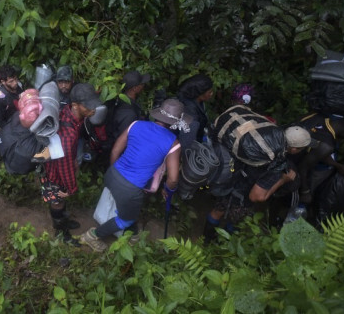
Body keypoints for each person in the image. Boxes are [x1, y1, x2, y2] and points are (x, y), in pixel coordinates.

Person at [80, 99, 190, 252]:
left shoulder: (136, 124)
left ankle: (133, 234)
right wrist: (168, 190)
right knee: (126, 219)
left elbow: (115, 151)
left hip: (112, 174)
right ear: (175, 124)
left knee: (129, 206)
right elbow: (173, 179)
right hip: (131, 189)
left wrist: (117, 175)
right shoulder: (173, 143)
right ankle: (92, 236)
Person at [40, 83, 102, 245]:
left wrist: (74, 158)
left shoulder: (69, 113)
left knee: (59, 200)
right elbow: (64, 167)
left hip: (58, 164)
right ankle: (61, 233)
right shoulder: (68, 135)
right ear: (75, 105)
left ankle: (63, 223)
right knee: (58, 200)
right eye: (88, 106)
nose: (93, 109)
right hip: (54, 173)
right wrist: (71, 188)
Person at [296, 113, 344, 203]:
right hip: (291, 164)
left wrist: (337, 165)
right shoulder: (326, 146)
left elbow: (315, 145)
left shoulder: (322, 115)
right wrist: (305, 192)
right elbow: (302, 168)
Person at [177, 74, 214, 148]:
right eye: (209, 92)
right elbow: (186, 144)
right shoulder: (190, 115)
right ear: (200, 93)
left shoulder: (197, 101)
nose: (212, 94)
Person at [0, 64, 23, 132]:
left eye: (16, 79)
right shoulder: (0, 98)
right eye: (11, 81)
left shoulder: (19, 85)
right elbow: (1, 122)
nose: (15, 83)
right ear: (3, 82)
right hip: (9, 120)